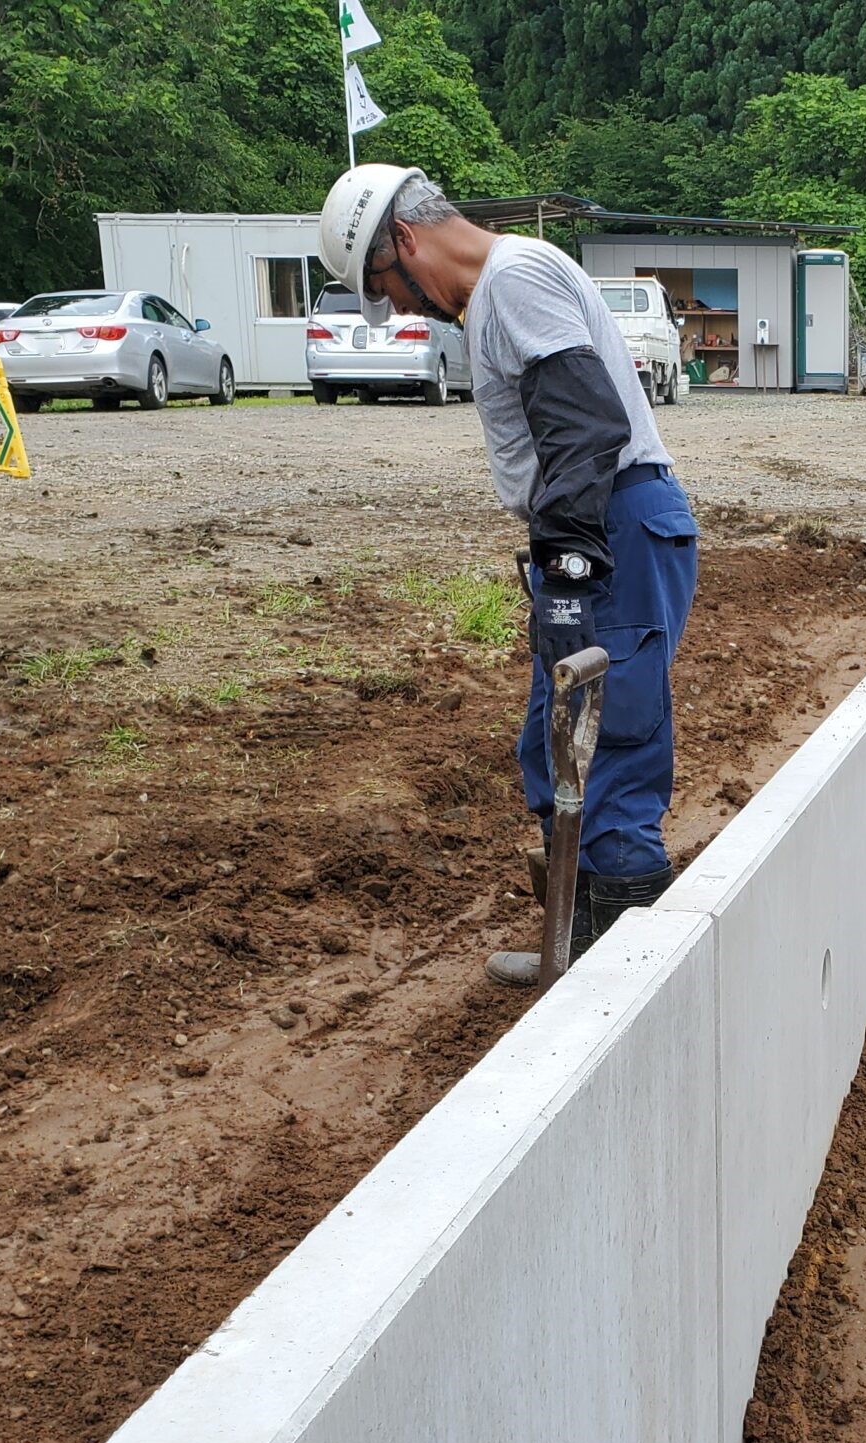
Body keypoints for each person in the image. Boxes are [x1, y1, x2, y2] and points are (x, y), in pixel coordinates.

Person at [318, 164, 698, 989]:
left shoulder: (515, 281)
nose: (406, 310)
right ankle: (579, 950)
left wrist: (565, 569)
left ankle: (629, 985)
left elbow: (586, 426)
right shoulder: (501, 290)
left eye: (392, 287)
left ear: (407, 241)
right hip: (592, 530)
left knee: (615, 750)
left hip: (614, 527)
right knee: (551, 746)